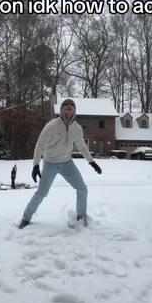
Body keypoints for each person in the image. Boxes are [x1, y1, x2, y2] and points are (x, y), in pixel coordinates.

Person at [19, 98, 102, 229]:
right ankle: (25, 218)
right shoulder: (52, 125)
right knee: (41, 193)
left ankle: (81, 217)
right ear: (62, 109)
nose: (69, 106)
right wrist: (35, 165)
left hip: (67, 163)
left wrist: (92, 162)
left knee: (82, 189)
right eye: (66, 105)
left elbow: (82, 146)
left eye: (71, 105)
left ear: (74, 110)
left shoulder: (77, 128)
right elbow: (40, 145)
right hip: (50, 163)